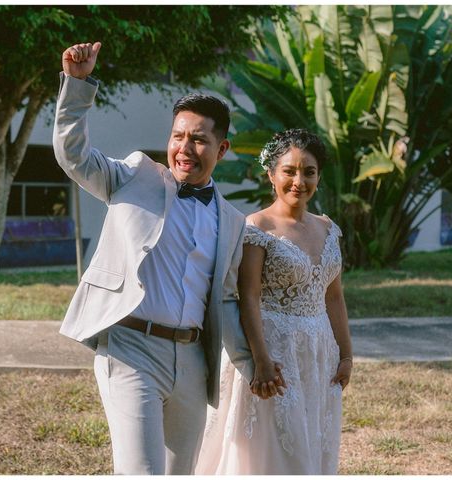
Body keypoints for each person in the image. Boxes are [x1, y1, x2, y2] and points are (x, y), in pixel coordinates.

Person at [52, 41, 269, 475]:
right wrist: (77, 86)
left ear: (221, 149)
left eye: (199, 140)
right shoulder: (134, 175)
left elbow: (226, 301)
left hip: (192, 360)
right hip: (131, 348)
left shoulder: (231, 221)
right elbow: (73, 156)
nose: (185, 148)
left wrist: (253, 365)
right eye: (178, 136)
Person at [195, 129, 353, 475]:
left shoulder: (328, 229)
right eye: (289, 171)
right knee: (272, 446)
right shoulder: (257, 227)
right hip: (272, 350)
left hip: (317, 353)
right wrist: (261, 361)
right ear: (271, 174)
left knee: (311, 436)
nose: (299, 181)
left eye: (308, 172)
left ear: (318, 176)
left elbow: (334, 295)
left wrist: (345, 353)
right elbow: (247, 296)